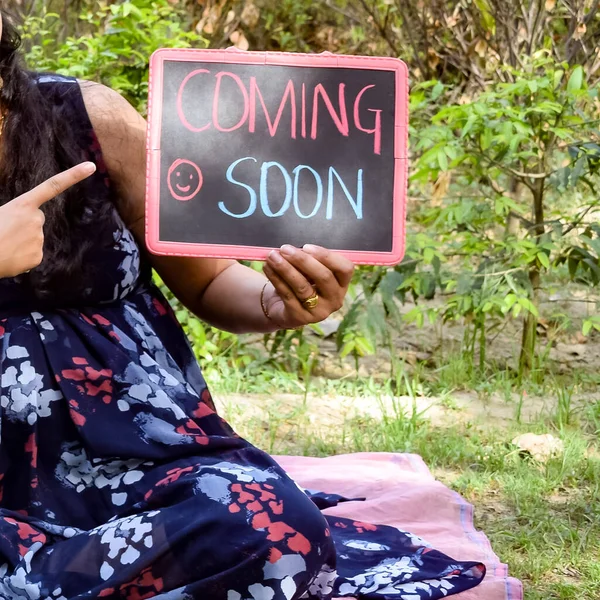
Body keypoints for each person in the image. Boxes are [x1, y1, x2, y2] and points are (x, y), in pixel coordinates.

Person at [0, 11, 485, 600]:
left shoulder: (89, 121)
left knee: (274, 527)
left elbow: (205, 283)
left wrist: (279, 301)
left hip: (139, 458)